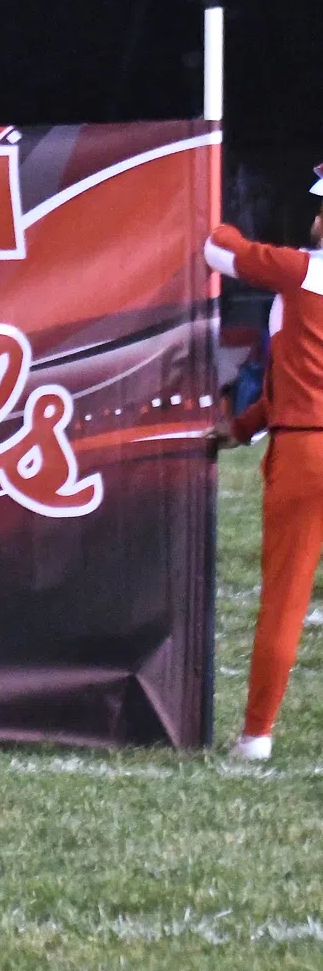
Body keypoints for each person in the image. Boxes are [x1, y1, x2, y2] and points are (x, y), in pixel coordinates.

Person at [205, 166, 323, 761]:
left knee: (285, 597)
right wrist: (243, 428)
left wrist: (199, 191)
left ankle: (256, 737)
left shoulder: (301, 271)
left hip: (308, 451)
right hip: (298, 429)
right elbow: (285, 388)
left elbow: (216, 248)